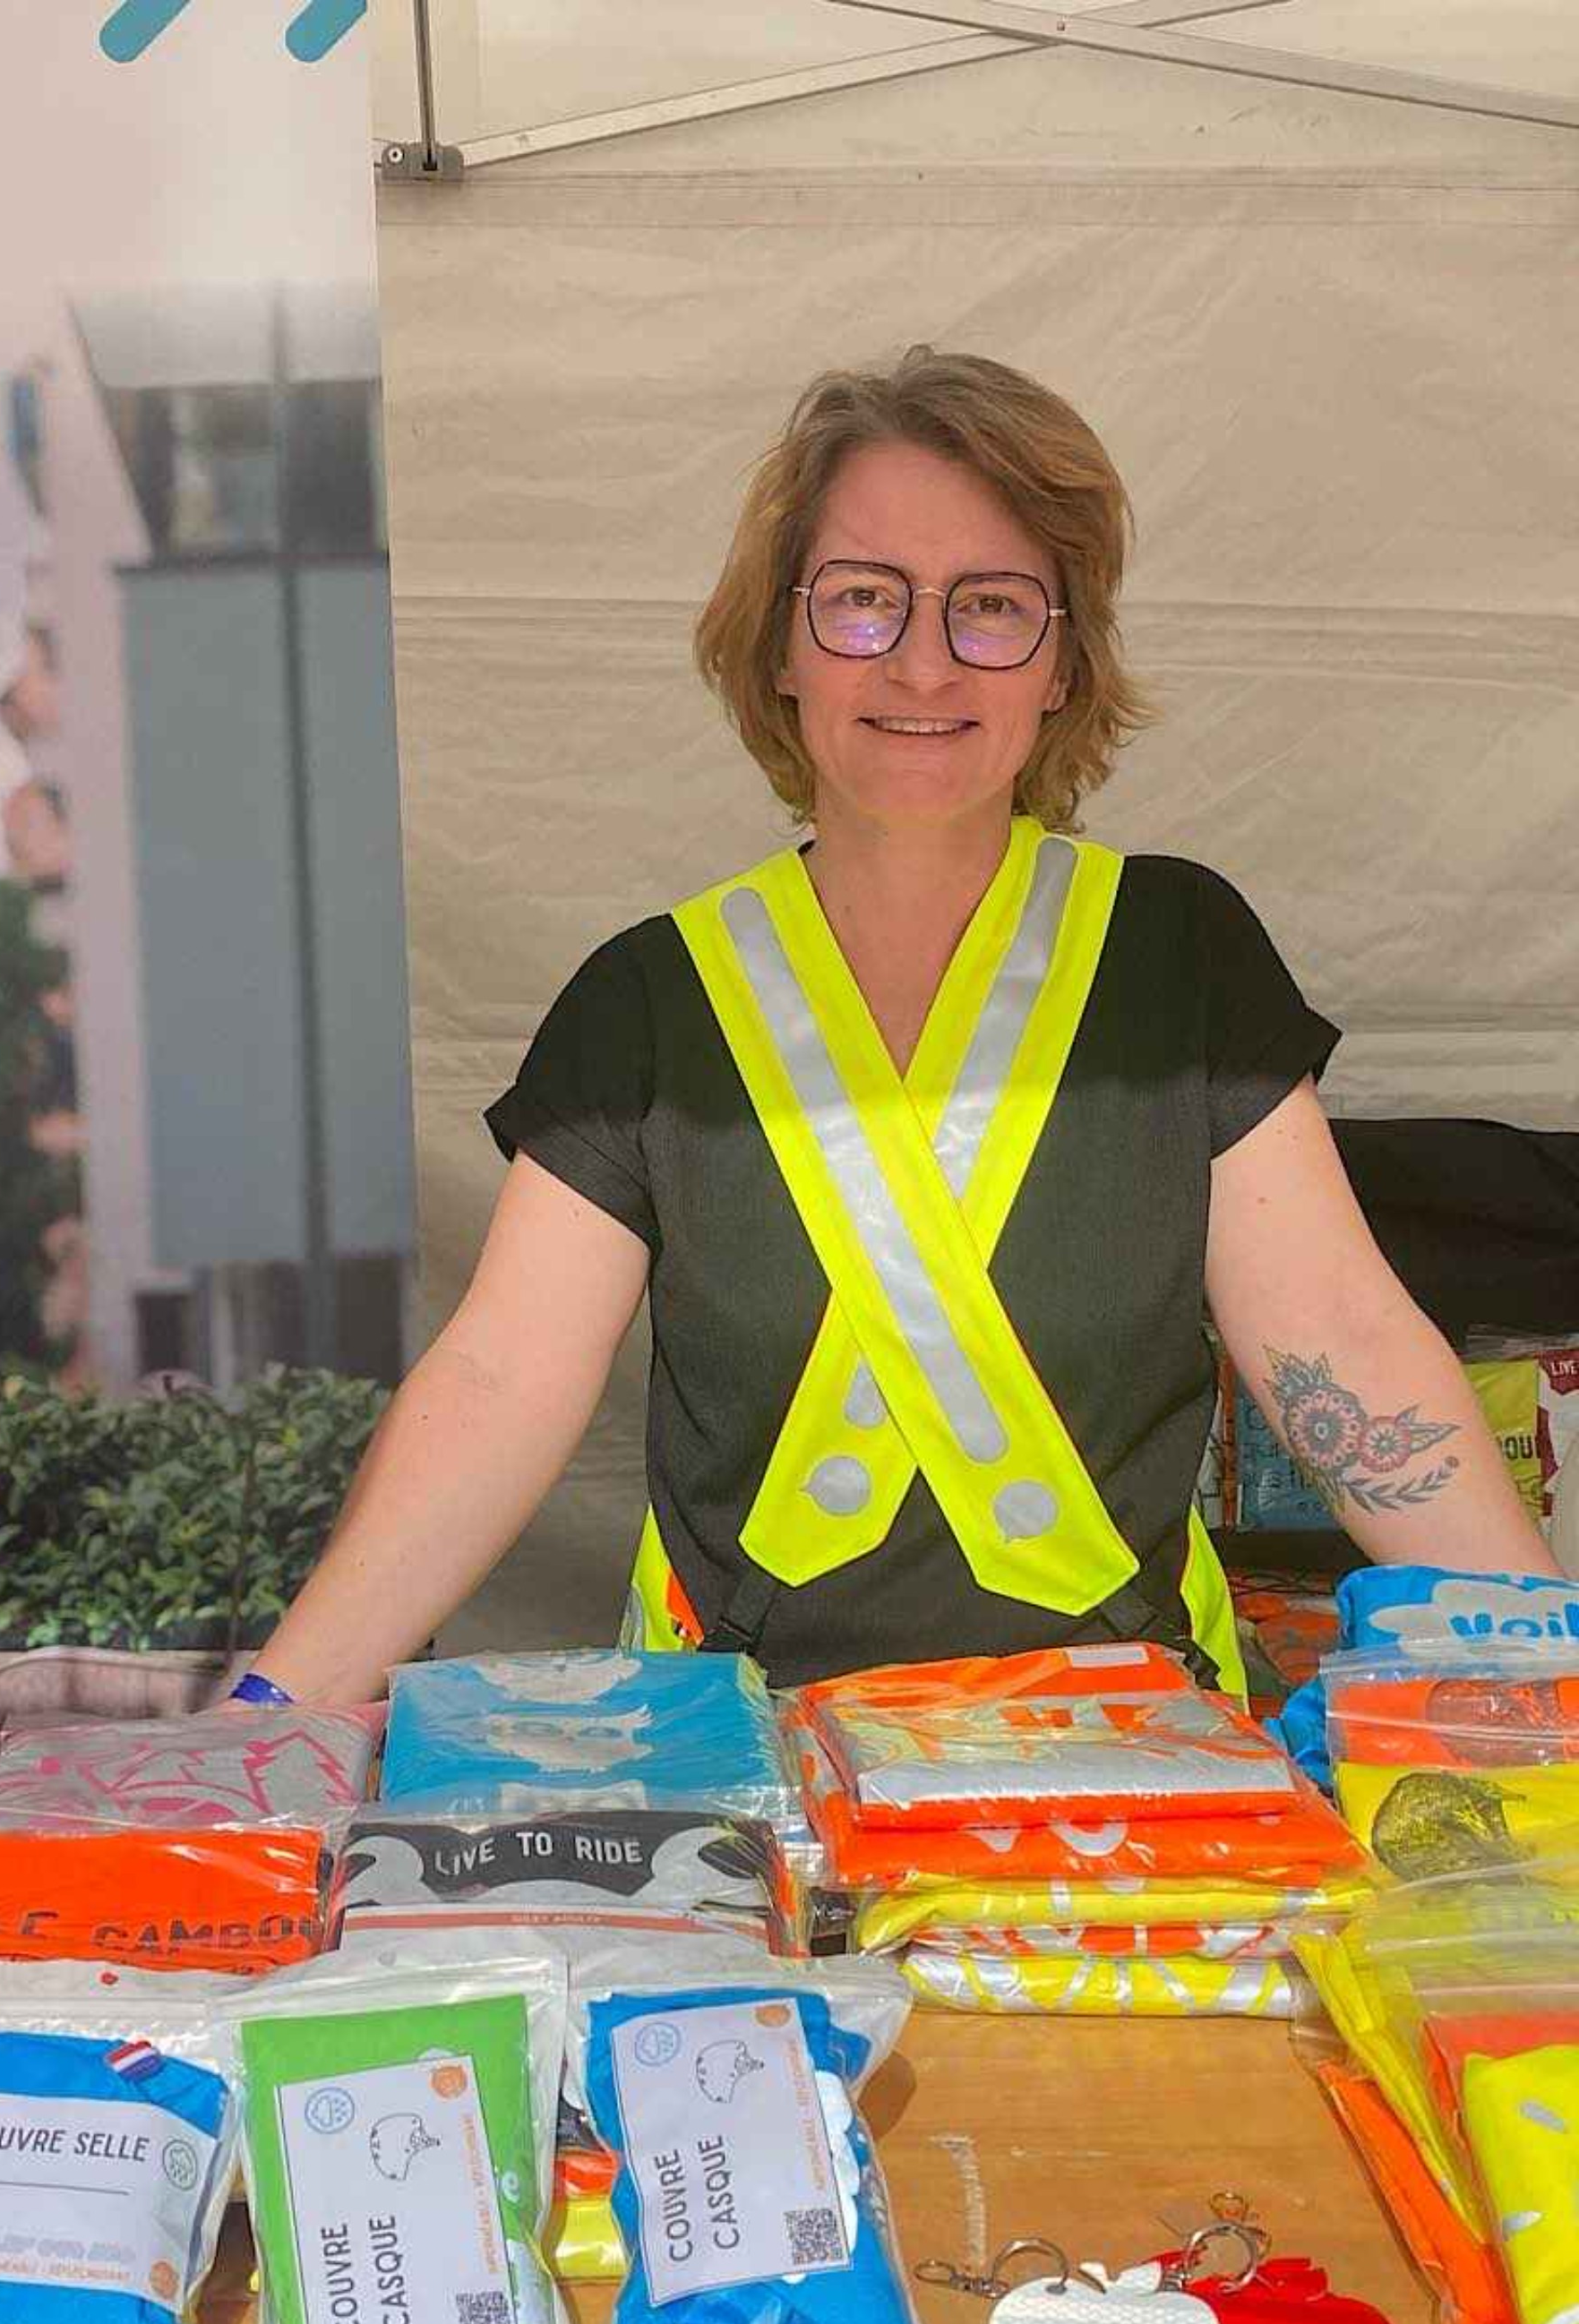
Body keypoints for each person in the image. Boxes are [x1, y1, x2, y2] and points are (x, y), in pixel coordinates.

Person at [240, 347, 1554, 1707]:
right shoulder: (648, 1001)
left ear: (1062, 666)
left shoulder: (1178, 955)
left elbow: (1337, 1335)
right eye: (864, 601)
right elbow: (502, 1380)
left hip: (1131, 1766)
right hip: (740, 1773)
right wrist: (276, 1708)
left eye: (992, 608)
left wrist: (1542, 1652)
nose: (924, 662)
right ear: (782, 649)